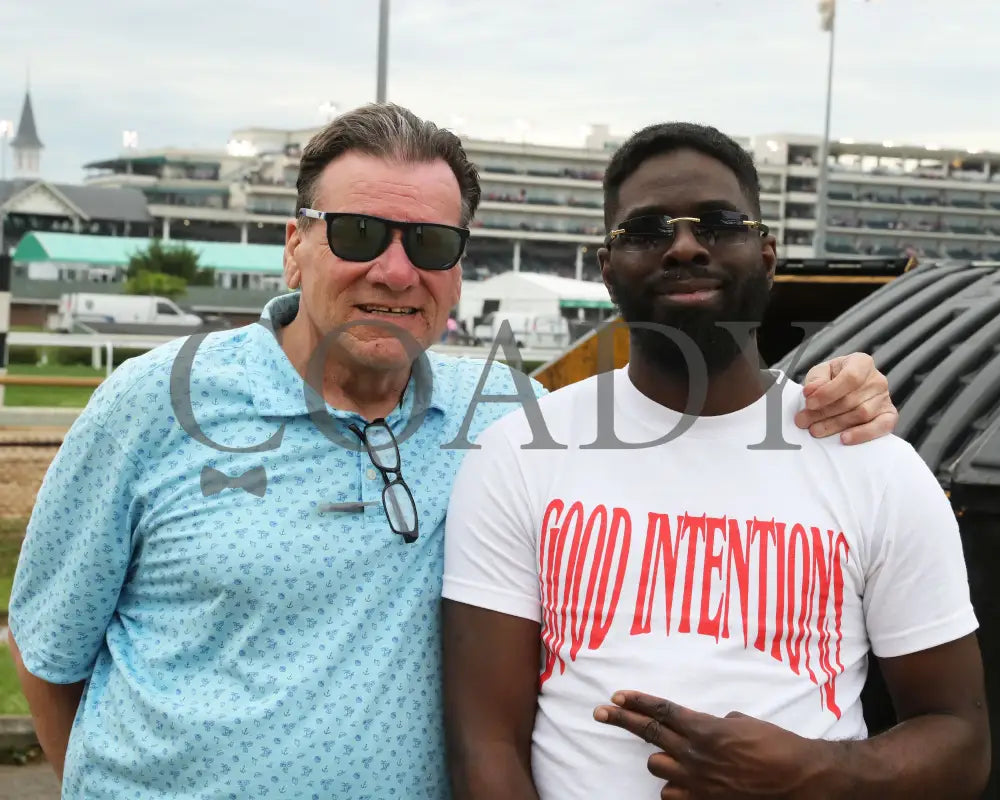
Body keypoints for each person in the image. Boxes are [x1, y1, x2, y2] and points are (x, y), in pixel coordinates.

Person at [9, 105, 898, 800]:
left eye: (430, 244)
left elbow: (691, 425)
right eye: (359, 234)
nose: (395, 272)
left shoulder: (510, 417)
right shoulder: (154, 405)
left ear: (458, 269)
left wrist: (835, 390)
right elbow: (48, 656)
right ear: (294, 246)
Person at [441, 122, 989, 800]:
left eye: (720, 224)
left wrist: (811, 772)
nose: (684, 246)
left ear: (767, 254)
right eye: (646, 230)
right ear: (607, 269)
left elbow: (960, 744)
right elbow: (485, 746)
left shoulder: (874, 466)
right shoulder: (521, 452)